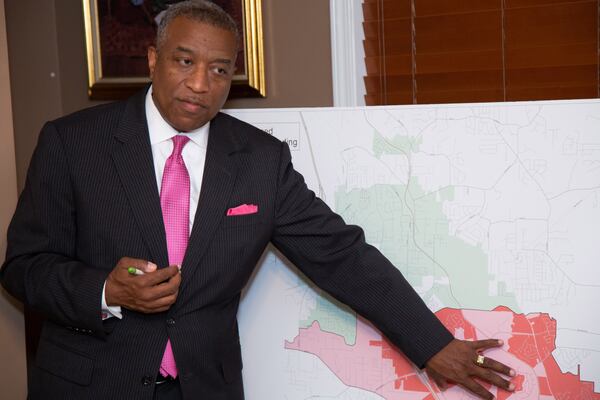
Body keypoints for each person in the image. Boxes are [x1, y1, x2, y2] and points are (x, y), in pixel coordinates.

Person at [0, 1, 516, 399]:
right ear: (154, 59)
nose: (200, 85)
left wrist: (434, 344)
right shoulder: (72, 143)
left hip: (205, 388)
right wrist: (106, 291)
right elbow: (24, 268)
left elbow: (341, 256)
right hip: (89, 386)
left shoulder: (260, 160)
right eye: (185, 61)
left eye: (220, 70)